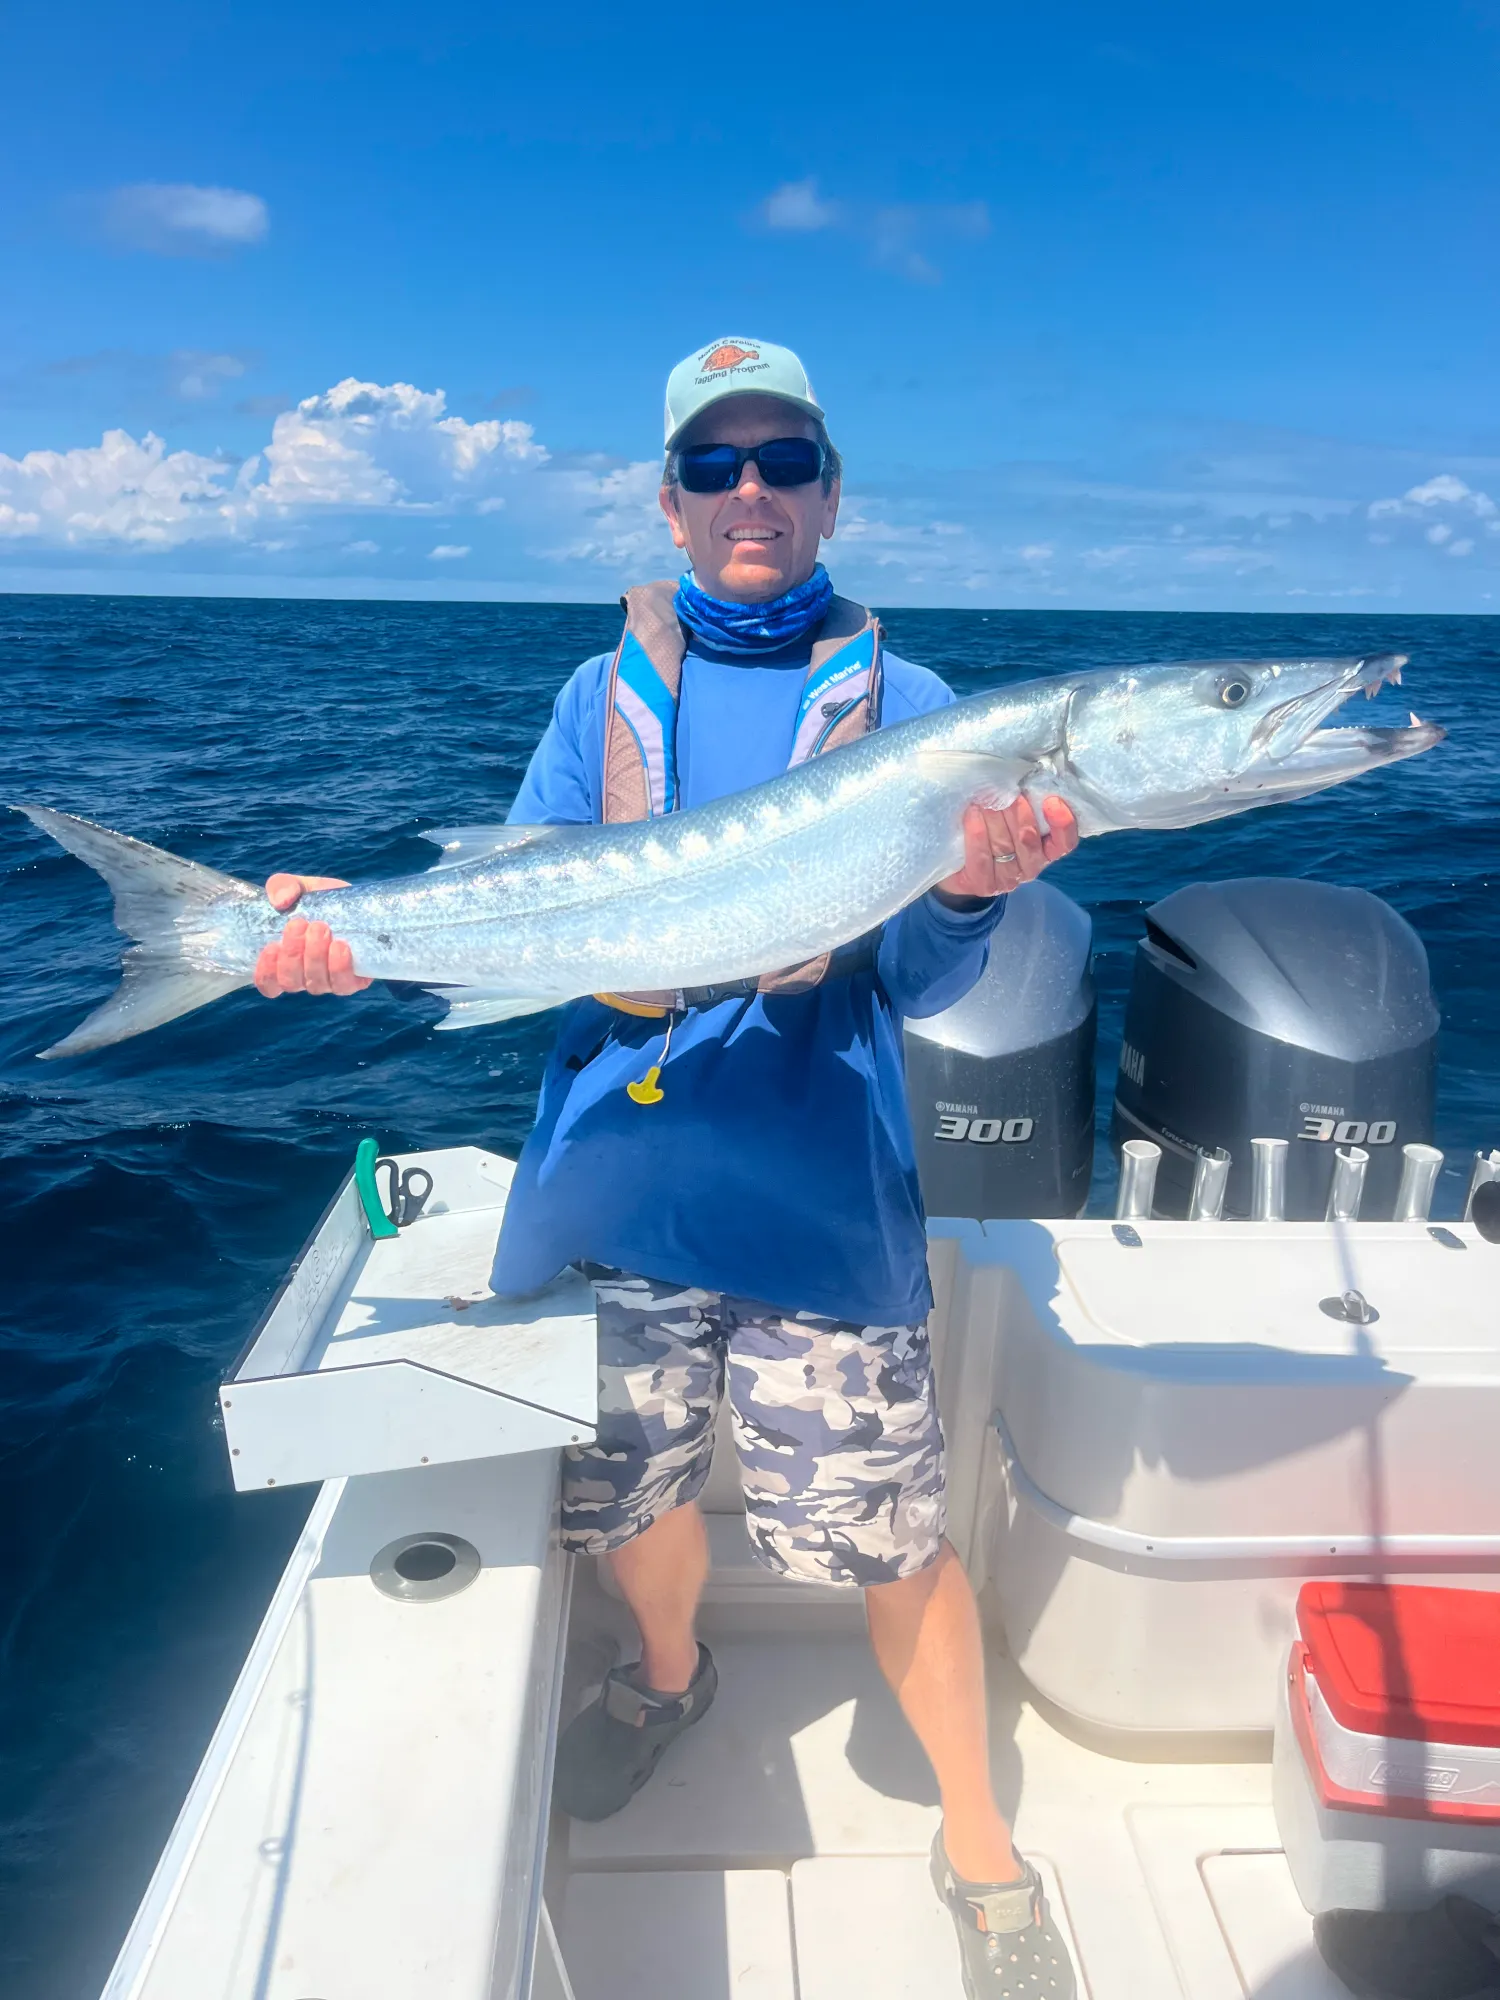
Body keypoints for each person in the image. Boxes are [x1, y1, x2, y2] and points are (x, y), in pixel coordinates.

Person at [256, 337, 1081, 1999]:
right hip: (616, 1196)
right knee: (625, 1499)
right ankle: (666, 1674)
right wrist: (337, 934)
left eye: (785, 460)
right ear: (669, 501)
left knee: (893, 1543)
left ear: (833, 491)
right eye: (715, 467)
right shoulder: (598, 694)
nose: (751, 492)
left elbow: (922, 988)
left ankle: (979, 1838)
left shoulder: (925, 721)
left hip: (815, 1203)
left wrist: (978, 896)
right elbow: (528, 902)